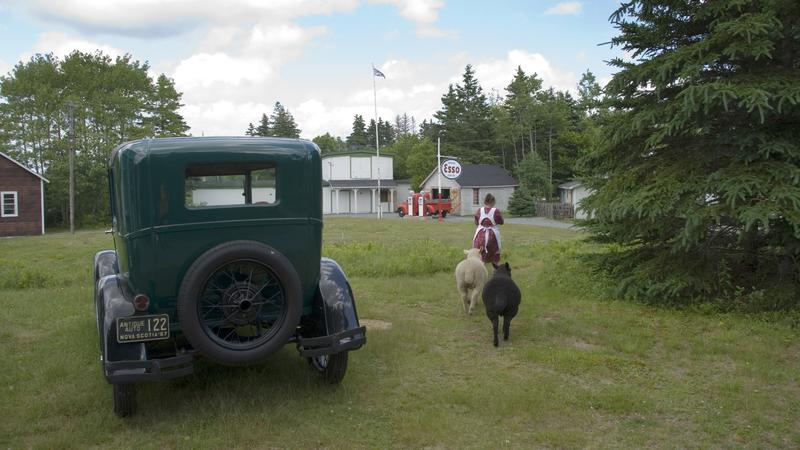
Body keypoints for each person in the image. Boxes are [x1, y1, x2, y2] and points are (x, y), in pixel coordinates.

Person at [472, 193, 504, 264]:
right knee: (494, 250)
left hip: (480, 234)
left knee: (479, 251)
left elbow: (476, 222)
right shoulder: (496, 211)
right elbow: (501, 222)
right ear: (493, 202)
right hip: (492, 234)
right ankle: (495, 266)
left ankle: (479, 265)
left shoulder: (479, 210)